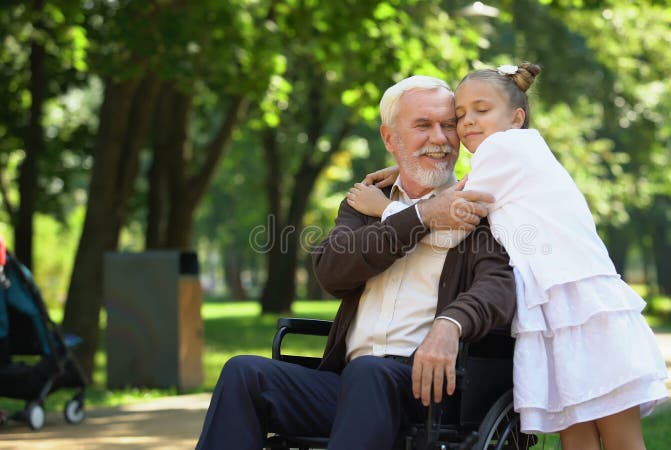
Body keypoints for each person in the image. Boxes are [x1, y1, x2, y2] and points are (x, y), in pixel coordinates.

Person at [349, 63, 668, 450]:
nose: (467, 123)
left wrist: (382, 208)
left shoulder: (505, 149)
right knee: (581, 433)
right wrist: (402, 167)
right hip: (564, 310)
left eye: (481, 111)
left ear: (516, 118)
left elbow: (452, 213)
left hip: (582, 311)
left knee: (615, 439)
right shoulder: (517, 153)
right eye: (461, 115)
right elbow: (456, 193)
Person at [195, 75, 517, 450]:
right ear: (389, 139)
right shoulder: (364, 203)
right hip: (348, 384)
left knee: (370, 372)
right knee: (243, 373)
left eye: (449, 125)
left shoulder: (478, 206)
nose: (440, 138)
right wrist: (420, 217)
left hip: (427, 391)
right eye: (422, 126)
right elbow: (332, 270)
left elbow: (499, 287)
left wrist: (450, 324)